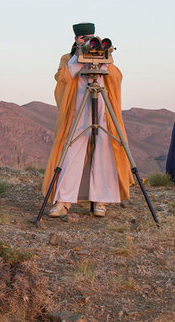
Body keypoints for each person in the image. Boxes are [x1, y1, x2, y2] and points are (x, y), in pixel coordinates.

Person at [42, 22, 132, 218]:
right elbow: (62, 80)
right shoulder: (68, 58)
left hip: (102, 110)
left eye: (91, 37)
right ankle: (63, 201)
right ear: (76, 39)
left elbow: (115, 77)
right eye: (84, 38)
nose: (88, 41)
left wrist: (104, 61)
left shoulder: (103, 55)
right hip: (78, 112)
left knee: (104, 151)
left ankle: (101, 201)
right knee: (72, 152)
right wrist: (77, 59)